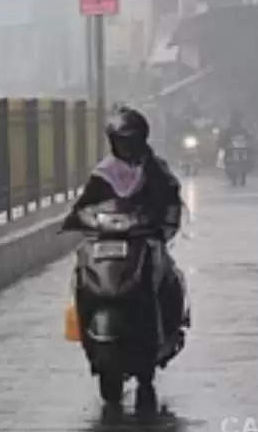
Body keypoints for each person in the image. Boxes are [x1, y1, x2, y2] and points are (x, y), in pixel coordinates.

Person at [64, 106, 187, 338]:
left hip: (144, 235)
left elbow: (171, 199)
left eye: (130, 141)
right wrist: (79, 217)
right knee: (81, 273)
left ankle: (168, 329)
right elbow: (86, 202)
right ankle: (81, 330)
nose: (125, 147)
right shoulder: (104, 172)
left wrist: (163, 224)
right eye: (120, 141)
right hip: (108, 236)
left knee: (168, 276)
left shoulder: (155, 168)